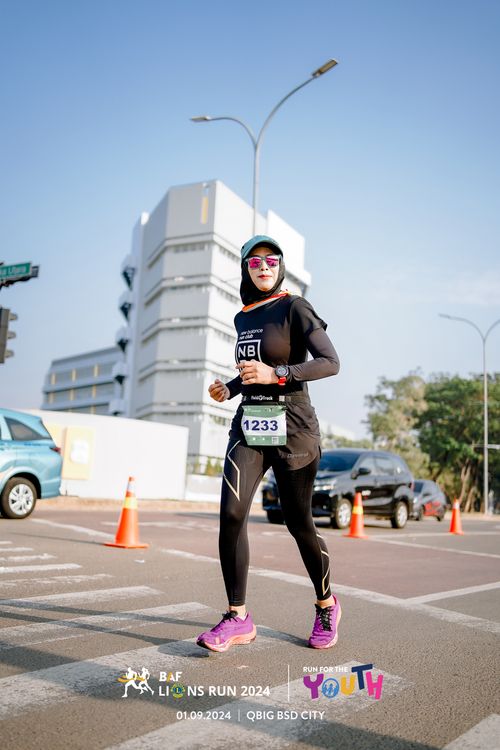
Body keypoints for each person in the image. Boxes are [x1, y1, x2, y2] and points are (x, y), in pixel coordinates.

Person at [196, 235, 340, 653]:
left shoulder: (295, 306)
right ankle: (237, 616)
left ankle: (327, 604)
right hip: (251, 422)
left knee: (299, 524)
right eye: (255, 261)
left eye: (271, 260)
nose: (263, 266)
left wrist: (278, 375)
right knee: (231, 513)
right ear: (245, 269)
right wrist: (231, 387)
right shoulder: (243, 317)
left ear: (281, 266)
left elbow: (330, 363)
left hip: (294, 424)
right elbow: (254, 371)